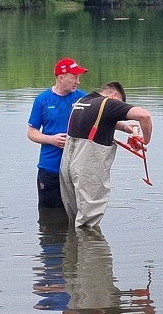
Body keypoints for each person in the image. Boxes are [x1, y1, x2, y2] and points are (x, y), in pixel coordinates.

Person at [59, 82, 153, 227]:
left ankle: (73, 248)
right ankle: (92, 248)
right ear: (115, 96)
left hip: (67, 165)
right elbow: (144, 116)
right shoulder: (110, 103)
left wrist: (124, 127)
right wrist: (145, 140)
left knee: (75, 218)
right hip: (88, 166)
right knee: (88, 223)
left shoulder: (83, 101)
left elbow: (100, 118)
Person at [27, 58, 88, 210]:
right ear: (61, 77)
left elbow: (102, 119)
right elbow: (31, 132)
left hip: (76, 169)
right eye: (74, 77)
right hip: (50, 169)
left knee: (76, 215)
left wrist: (125, 126)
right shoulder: (42, 100)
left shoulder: (84, 98)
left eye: (79, 77)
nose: (78, 81)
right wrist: (51, 139)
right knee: (49, 216)